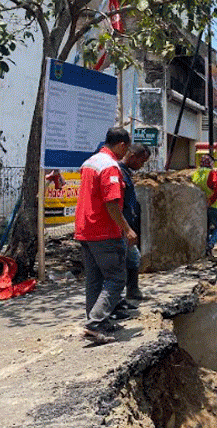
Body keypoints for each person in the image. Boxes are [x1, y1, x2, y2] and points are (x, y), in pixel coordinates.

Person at [75, 127, 137, 344]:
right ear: (121, 145)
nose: (126, 153)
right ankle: (94, 324)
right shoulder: (110, 166)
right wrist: (127, 229)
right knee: (116, 278)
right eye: (126, 149)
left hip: (85, 229)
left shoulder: (90, 162)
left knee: (94, 279)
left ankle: (97, 321)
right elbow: (111, 202)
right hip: (103, 230)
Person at [119, 143, 151, 301]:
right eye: (142, 161)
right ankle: (120, 299)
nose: (142, 165)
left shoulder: (126, 173)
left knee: (133, 258)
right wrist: (126, 228)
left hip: (127, 224)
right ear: (132, 156)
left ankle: (132, 291)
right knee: (123, 263)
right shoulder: (119, 173)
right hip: (120, 227)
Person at [192, 154, 217, 255]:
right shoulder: (212, 173)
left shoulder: (196, 173)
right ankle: (210, 244)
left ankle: (205, 249)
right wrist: (211, 200)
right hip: (213, 205)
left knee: (206, 228)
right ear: (210, 163)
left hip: (201, 206)